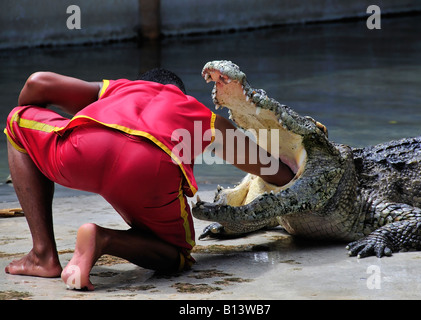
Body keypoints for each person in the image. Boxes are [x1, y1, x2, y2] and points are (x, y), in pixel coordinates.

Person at [4, 68, 294, 290]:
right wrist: (291, 174)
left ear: (141, 83)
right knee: (176, 255)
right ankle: (102, 238)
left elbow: (36, 83)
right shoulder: (201, 115)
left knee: (17, 120)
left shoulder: (122, 89)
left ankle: (43, 255)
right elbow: (272, 169)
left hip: (85, 151)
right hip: (152, 170)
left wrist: (40, 147)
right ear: (181, 93)